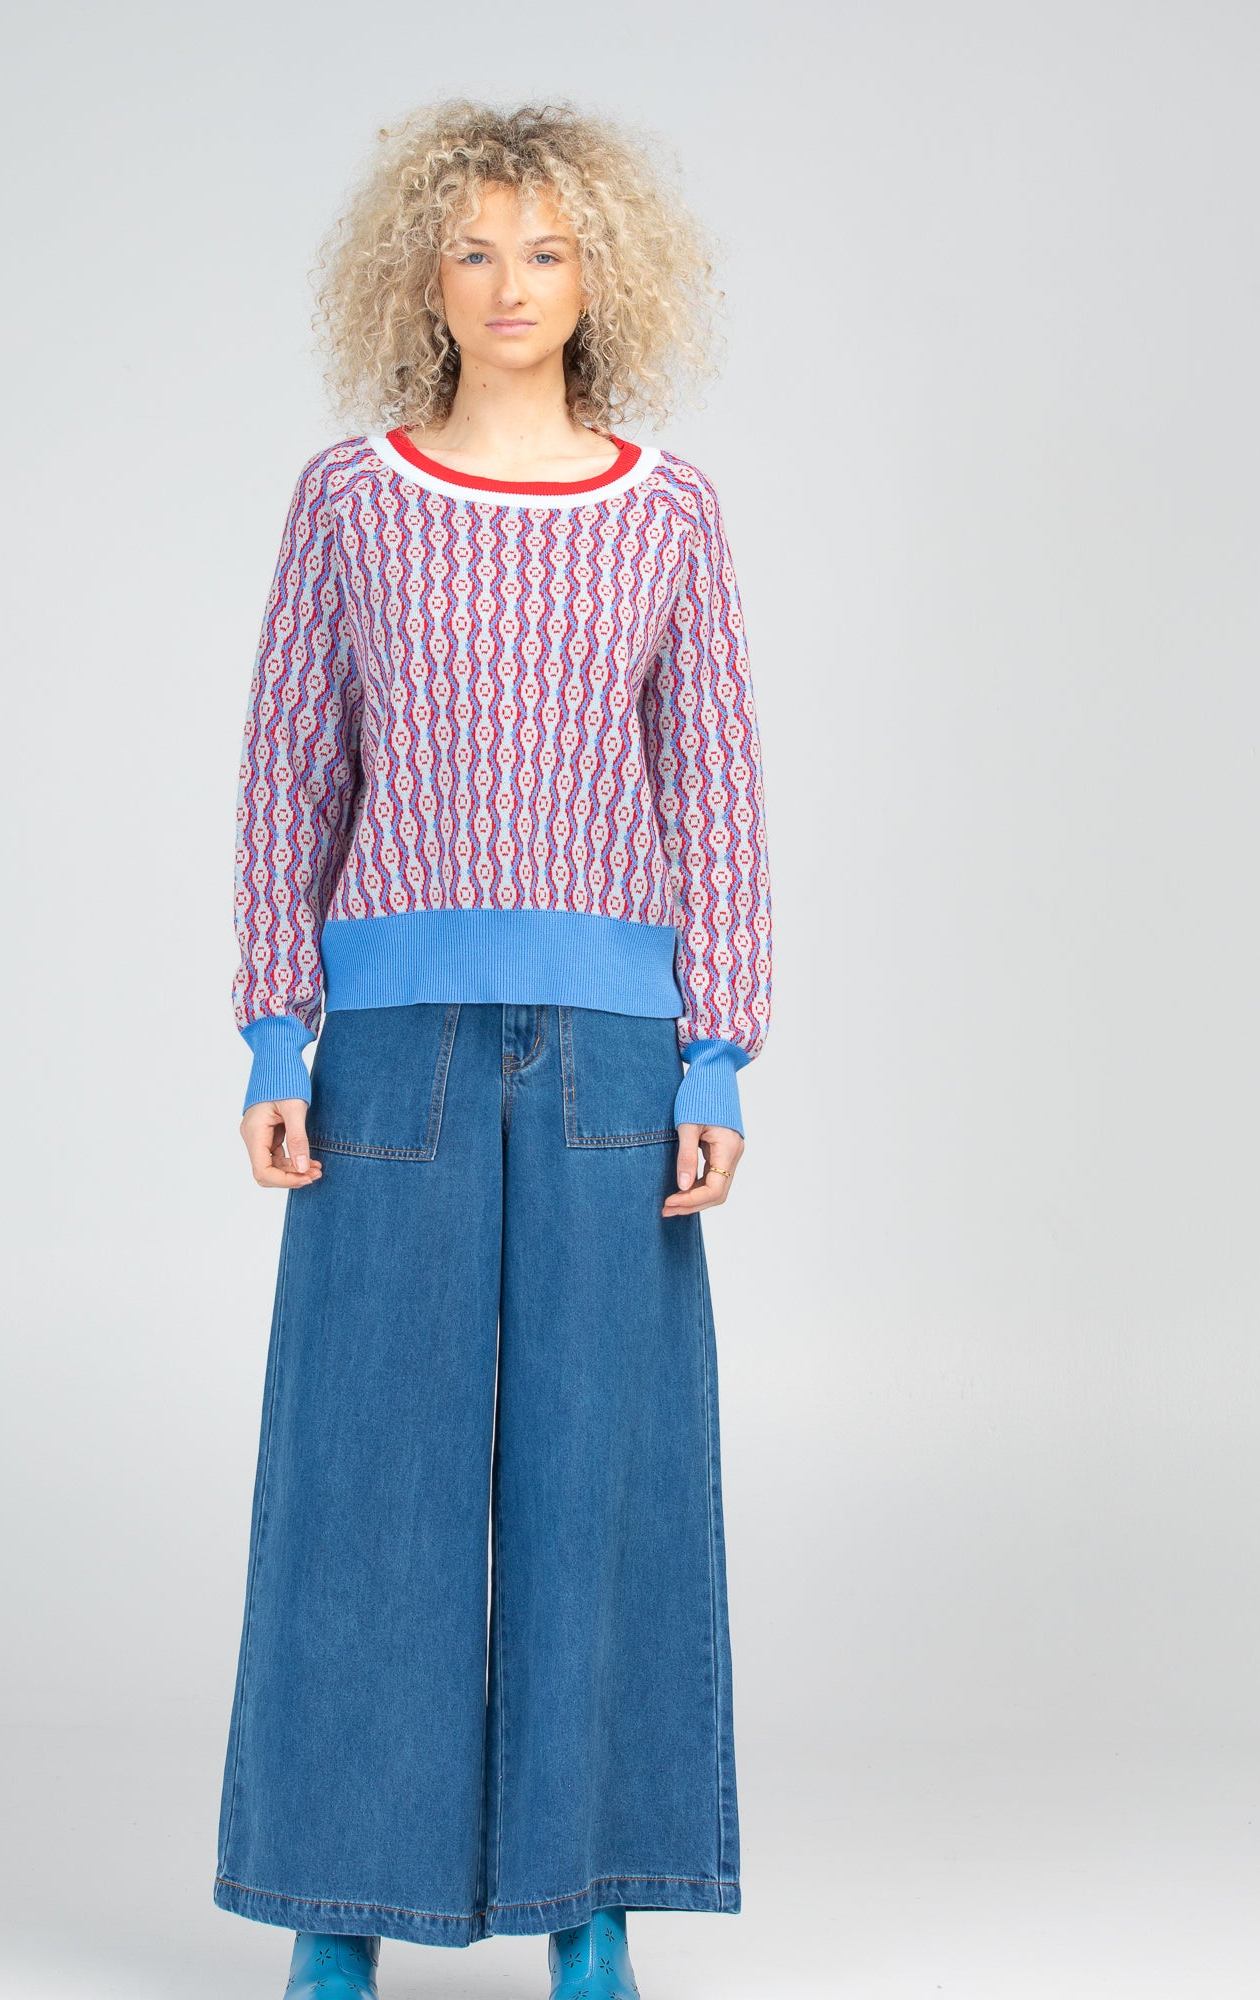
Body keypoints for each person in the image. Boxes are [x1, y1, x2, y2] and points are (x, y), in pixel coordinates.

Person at [215, 99, 773, 2000]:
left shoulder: (671, 509)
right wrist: (273, 1029)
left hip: (617, 1051)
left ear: (602, 274)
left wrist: (718, 1057)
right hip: (393, 1052)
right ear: (422, 275)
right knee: (365, 1471)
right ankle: (336, 1907)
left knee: (603, 1475)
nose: (510, 285)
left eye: (546, 250)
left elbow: (716, 790)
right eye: (474, 250)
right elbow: (290, 769)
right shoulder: (349, 498)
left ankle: (590, 1902)